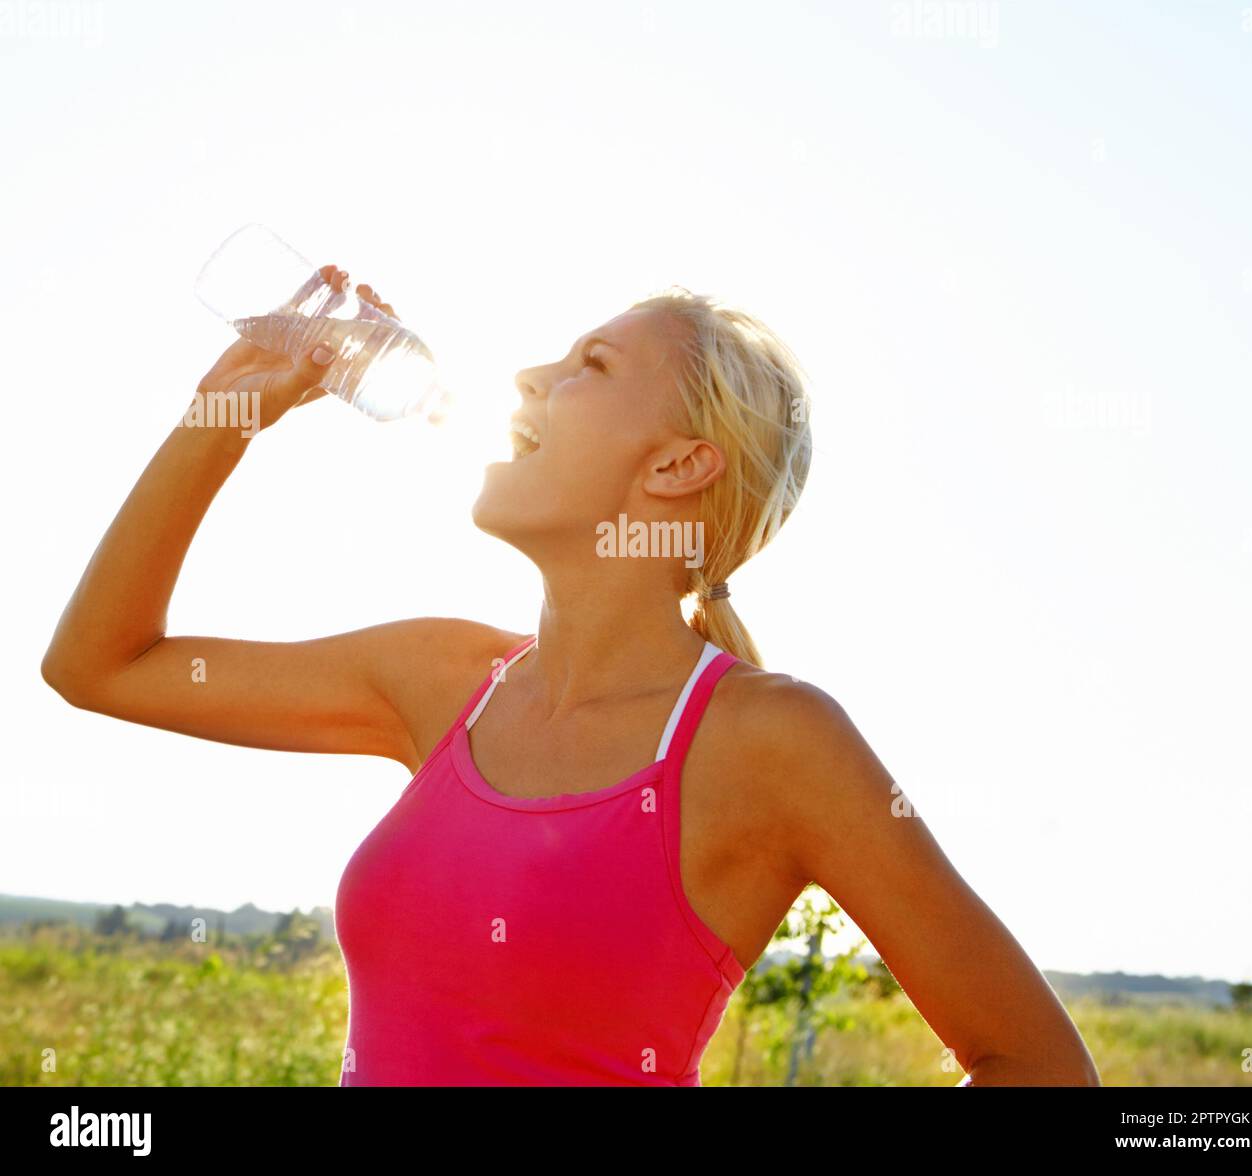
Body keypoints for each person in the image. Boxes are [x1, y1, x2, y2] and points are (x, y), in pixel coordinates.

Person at [42, 267, 1101, 1087]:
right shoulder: (442, 675)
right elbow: (101, 664)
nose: (528, 378)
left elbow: (1038, 1068)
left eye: (589, 365)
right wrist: (221, 413)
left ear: (679, 464)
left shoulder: (770, 741)